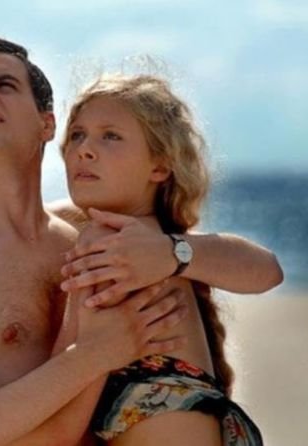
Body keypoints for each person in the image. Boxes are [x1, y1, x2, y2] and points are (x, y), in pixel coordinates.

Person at [0, 32, 282, 446]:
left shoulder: (96, 229)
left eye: (4, 84)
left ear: (47, 123)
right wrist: (95, 354)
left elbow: (265, 270)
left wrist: (174, 252)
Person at [54, 74, 267, 445]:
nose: (84, 149)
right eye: (77, 135)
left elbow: (59, 388)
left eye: (110, 136)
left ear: (160, 166)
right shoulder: (156, 239)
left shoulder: (111, 242)